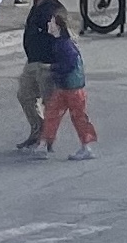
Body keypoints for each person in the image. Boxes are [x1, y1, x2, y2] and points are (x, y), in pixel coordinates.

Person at [32, 11, 97, 160]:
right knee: (53, 113)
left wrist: (51, 68)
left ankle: (84, 146)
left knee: (70, 116)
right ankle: (46, 144)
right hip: (68, 87)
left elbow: (68, 64)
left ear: (58, 26)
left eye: (52, 23)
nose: (49, 25)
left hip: (71, 88)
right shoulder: (62, 43)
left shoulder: (64, 45)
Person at [13, 0, 67, 151]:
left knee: (49, 101)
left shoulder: (54, 9)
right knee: (25, 96)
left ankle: (48, 138)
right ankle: (38, 130)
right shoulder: (37, 4)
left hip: (47, 63)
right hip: (32, 61)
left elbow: (62, 36)